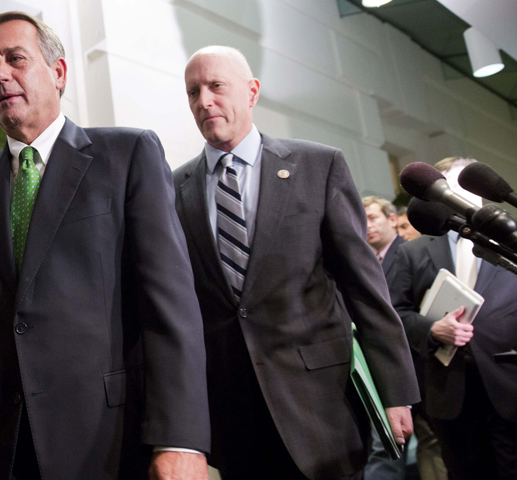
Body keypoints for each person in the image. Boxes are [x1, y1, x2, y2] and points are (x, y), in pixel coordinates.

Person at [0, 11, 210, 480]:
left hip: (107, 439)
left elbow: (169, 306)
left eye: (15, 58)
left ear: (59, 73)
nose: (0, 74)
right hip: (0, 446)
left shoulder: (128, 155)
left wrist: (181, 439)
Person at [173, 46, 419, 480]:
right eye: (193, 92)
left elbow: (364, 287)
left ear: (252, 92)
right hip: (234, 412)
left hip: (322, 407)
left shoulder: (318, 165)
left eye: (216, 86)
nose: (204, 101)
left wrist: (395, 392)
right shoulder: (173, 187)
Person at [389, 157, 517, 480]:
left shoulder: (510, 239)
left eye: (470, 186)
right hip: (450, 392)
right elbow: (394, 314)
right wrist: (431, 329)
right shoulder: (413, 252)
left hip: (510, 381)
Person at [361, 195, 408, 479]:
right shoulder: (364, 259)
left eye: (373, 218)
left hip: (412, 362)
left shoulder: (409, 253)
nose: (367, 226)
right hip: (377, 365)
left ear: (392, 219)